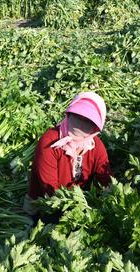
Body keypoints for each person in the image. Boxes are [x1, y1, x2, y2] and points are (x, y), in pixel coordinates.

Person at [24, 92, 113, 224]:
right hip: (46, 202)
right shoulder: (49, 142)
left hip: (79, 200)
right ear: (69, 114)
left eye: (88, 121)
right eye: (77, 116)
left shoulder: (96, 146)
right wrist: (75, 209)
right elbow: (49, 188)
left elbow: (106, 177)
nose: (80, 124)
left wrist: (111, 196)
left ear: (95, 127)